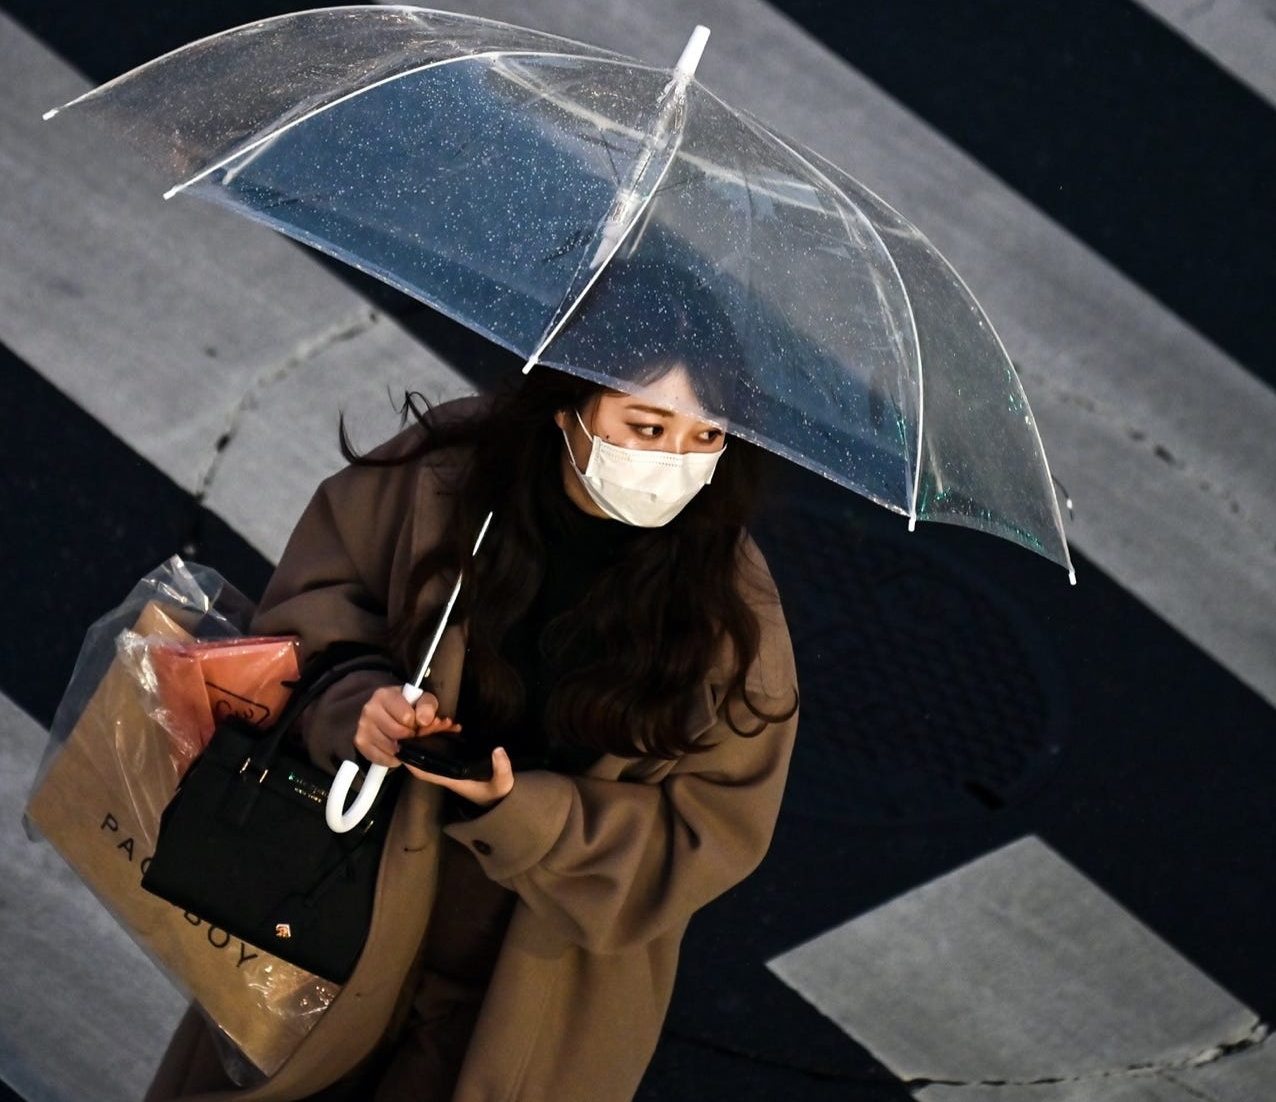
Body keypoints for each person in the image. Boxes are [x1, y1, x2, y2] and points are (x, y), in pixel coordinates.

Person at [141, 332, 799, 1102]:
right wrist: (360, 704)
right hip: (334, 892)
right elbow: (311, 606)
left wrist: (526, 815)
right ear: (568, 407)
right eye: (646, 428)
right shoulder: (453, 476)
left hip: (522, 982)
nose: (674, 462)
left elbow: (710, 829)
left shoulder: (727, 612)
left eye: (708, 436)